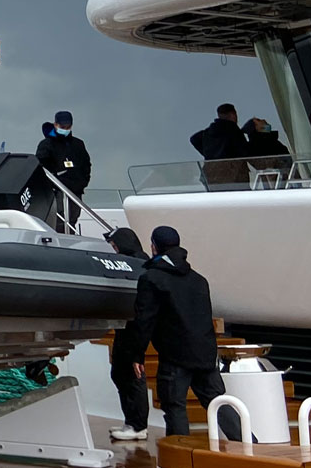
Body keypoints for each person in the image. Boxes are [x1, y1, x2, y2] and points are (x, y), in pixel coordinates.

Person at [132, 224, 228, 437]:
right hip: (204, 352)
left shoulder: (151, 279)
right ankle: (251, 446)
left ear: (154, 247)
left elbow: (144, 320)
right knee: (219, 404)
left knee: (174, 407)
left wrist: (137, 354)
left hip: (175, 356)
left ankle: (180, 459)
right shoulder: (199, 280)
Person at [105, 227, 151, 442]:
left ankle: (138, 424)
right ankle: (131, 421)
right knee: (120, 374)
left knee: (133, 376)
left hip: (134, 328)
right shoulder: (136, 262)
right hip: (126, 327)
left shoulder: (138, 265)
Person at [34, 110, 91, 228]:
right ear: (55, 124)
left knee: (72, 221)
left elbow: (86, 165)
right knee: (58, 222)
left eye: (68, 126)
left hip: (76, 191)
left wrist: (82, 183)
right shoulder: (46, 144)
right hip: (57, 191)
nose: (65, 129)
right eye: (62, 126)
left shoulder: (78, 144)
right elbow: (41, 167)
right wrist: (54, 184)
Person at [191, 104, 250, 189]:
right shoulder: (233, 130)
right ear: (232, 115)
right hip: (234, 177)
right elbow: (245, 151)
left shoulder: (208, 132)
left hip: (212, 177)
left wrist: (210, 155)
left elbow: (194, 139)